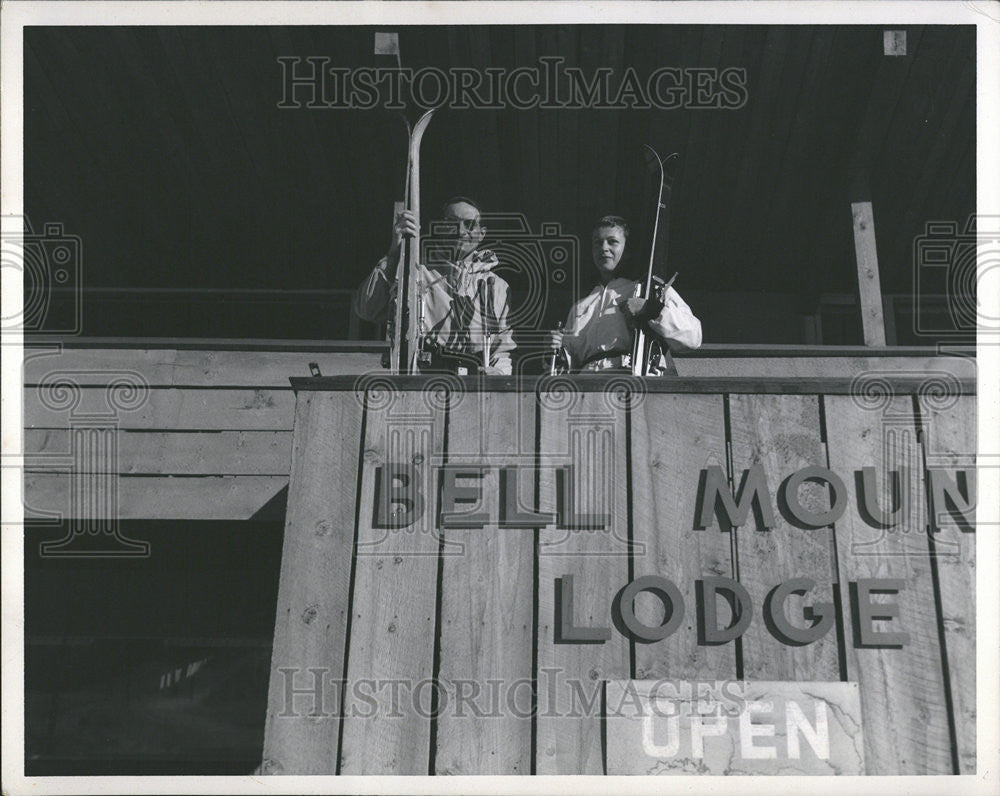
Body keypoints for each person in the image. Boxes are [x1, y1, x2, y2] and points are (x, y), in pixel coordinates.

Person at [354, 196, 513, 375]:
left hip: (473, 385)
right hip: (421, 378)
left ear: (481, 233)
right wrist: (394, 254)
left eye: (469, 224)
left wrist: (498, 374)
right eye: (452, 222)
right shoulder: (415, 269)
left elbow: (501, 350)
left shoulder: (497, 286)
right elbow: (367, 309)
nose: (460, 231)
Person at [551, 215, 701, 372]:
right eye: (597, 242)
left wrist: (650, 309)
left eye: (612, 241)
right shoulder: (580, 306)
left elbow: (693, 337)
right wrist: (558, 350)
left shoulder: (649, 289)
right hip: (587, 387)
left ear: (627, 249)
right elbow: (568, 366)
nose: (603, 248)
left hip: (631, 381)